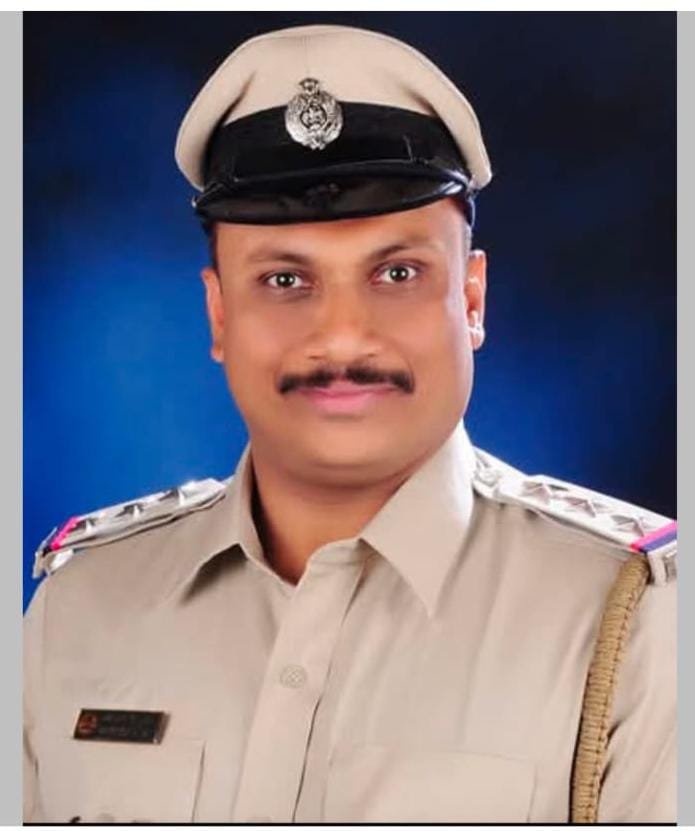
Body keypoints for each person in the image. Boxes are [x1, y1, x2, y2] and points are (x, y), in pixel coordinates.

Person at [23, 24, 676, 824]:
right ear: (219, 313)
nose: (341, 337)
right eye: (284, 279)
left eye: (397, 272)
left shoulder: (633, 621)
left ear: (470, 300)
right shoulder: (82, 605)